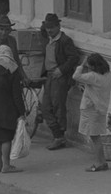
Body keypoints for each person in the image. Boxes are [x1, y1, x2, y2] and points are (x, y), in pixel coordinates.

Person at [40, 13, 81, 150]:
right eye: (47, 27)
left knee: (58, 106)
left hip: (59, 77)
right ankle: (57, 134)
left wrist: (62, 70)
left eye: (51, 27)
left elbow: (74, 57)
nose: (49, 30)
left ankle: (59, 137)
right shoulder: (48, 38)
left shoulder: (65, 41)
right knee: (45, 107)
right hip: (49, 76)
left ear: (58, 26)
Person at [0, 45, 26, 173]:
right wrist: (21, 112)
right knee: (7, 139)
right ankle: (7, 166)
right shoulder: (12, 70)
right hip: (8, 110)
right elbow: (17, 94)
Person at [72, 53, 111, 172]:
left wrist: (81, 64)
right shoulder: (107, 75)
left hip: (91, 109)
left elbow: (76, 76)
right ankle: (102, 162)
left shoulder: (92, 76)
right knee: (97, 136)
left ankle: (99, 163)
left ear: (93, 67)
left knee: (95, 138)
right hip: (101, 108)